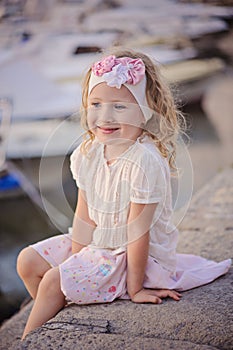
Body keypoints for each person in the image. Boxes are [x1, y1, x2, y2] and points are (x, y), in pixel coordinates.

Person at [17, 48, 231, 340]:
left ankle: (27, 340)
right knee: (27, 261)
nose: (104, 116)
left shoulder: (144, 161)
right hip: (100, 244)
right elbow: (84, 212)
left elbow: (138, 232)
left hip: (132, 257)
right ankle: (61, 307)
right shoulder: (88, 152)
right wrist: (78, 259)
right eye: (96, 104)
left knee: (53, 280)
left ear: (144, 111)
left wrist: (136, 288)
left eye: (119, 107)